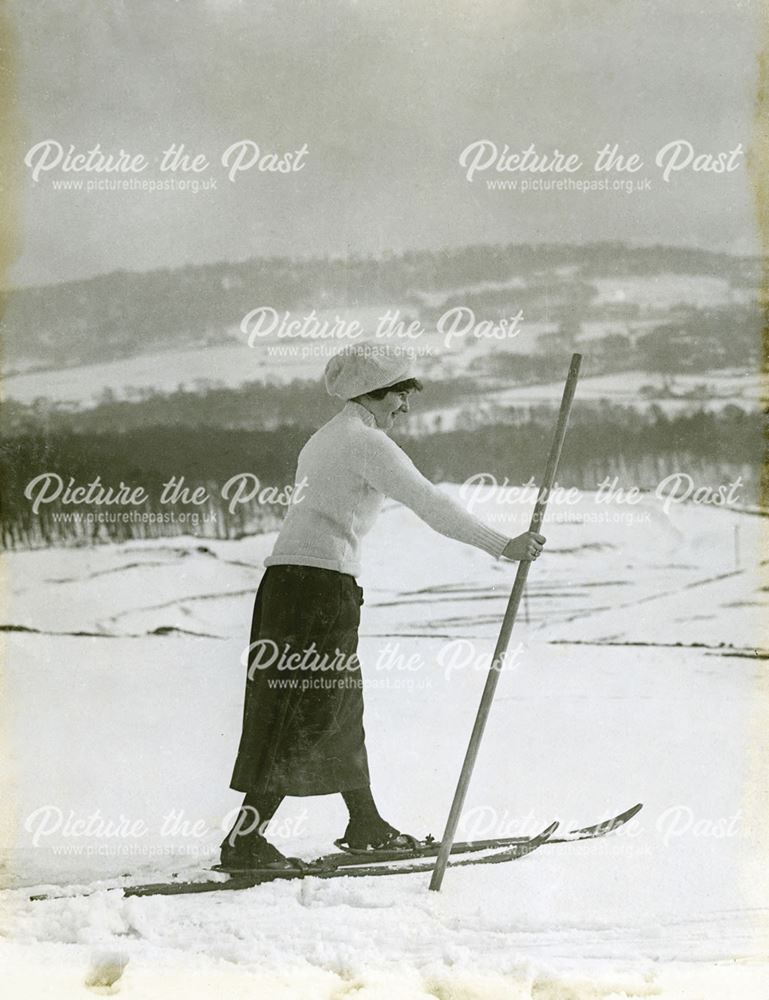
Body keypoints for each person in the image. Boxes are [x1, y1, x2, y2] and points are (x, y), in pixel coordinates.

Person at [221, 343, 545, 870]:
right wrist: (501, 543)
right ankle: (243, 842)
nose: (405, 407)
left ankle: (365, 824)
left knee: (334, 708)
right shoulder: (365, 442)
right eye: (400, 395)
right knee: (303, 712)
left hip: (292, 586)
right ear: (372, 394)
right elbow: (428, 501)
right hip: (318, 591)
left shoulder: (323, 439)